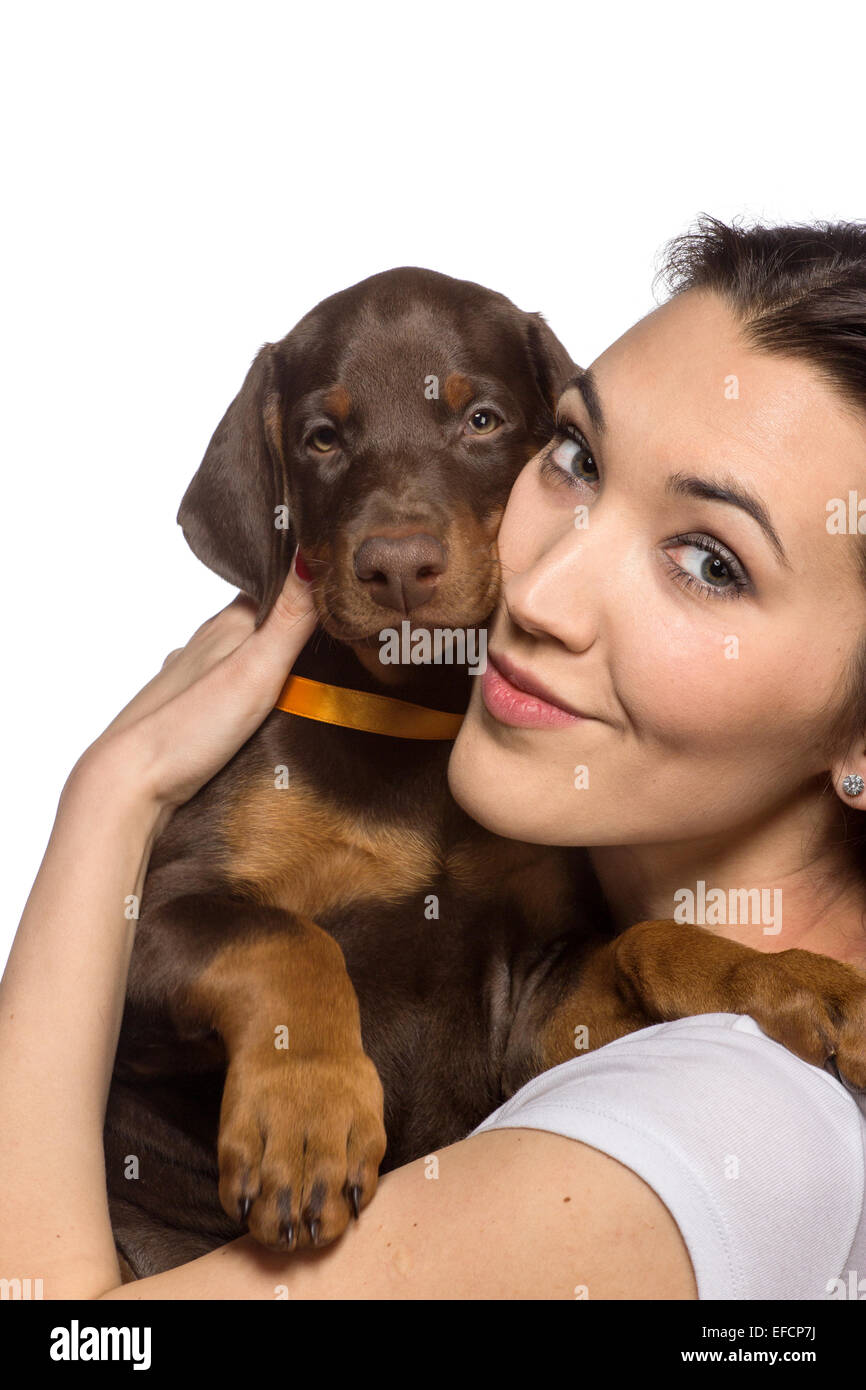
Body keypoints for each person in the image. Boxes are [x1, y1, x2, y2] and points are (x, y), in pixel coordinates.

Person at [2, 215, 866, 1301]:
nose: (543, 586)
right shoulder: (523, 799)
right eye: (577, 460)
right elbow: (536, 1019)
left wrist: (109, 794)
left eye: (709, 561)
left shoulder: (724, 1127)